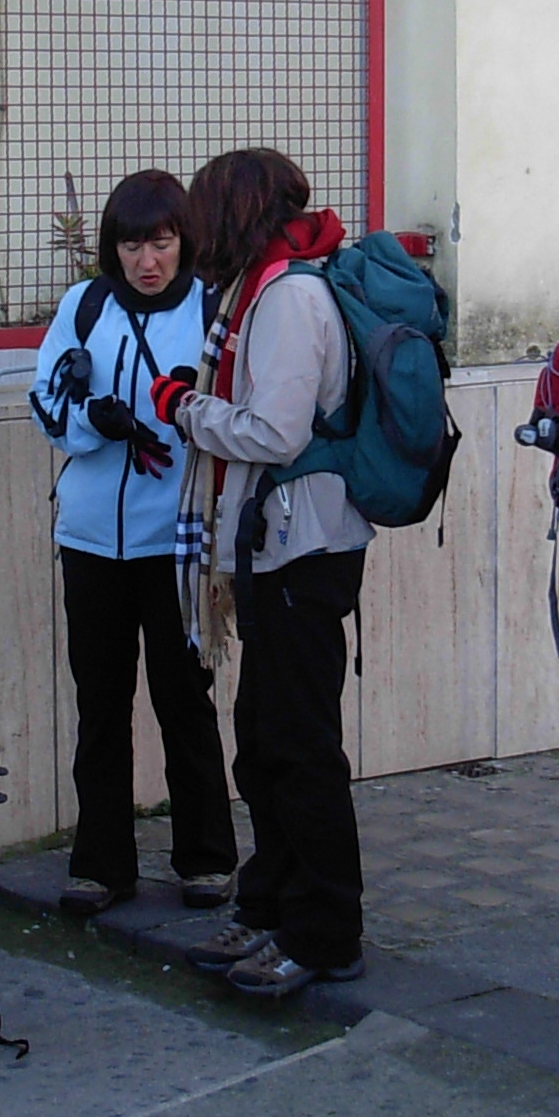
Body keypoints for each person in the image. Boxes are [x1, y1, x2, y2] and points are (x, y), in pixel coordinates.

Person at [160, 148, 371, 1003]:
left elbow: (274, 432)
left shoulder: (286, 298)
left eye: (203, 212)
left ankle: (324, 932)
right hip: (275, 548)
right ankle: (272, 903)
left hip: (303, 550)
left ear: (233, 214)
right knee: (265, 740)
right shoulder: (259, 289)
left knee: (299, 748)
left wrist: (186, 409)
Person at [28, 169, 234, 919]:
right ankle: (100, 865)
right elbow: (46, 404)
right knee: (101, 704)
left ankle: (206, 859)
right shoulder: (85, 305)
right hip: (90, 540)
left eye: (162, 242)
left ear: (185, 240)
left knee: (185, 701)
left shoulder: (212, 309)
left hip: (175, 541)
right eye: (131, 245)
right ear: (111, 248)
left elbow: (235, 415)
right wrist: (96, 420)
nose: (147, 261)